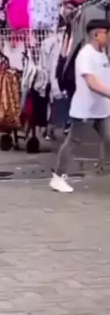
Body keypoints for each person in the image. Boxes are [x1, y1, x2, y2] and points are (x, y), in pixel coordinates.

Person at [50, 19, 110, 194]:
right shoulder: (85, 55)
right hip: (85, 109)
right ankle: (58, 177)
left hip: (102, 108)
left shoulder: (103, 54)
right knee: (73, 142)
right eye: (107, 33)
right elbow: (92, 82)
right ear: (97, 34)